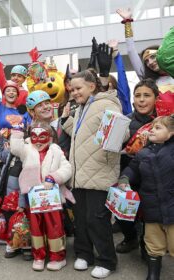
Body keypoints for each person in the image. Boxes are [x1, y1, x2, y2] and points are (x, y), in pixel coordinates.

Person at [61, 69, 122, 278]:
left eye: (78, 88)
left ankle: (107, 260)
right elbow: (84, 135)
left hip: (99, 173)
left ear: (92, 86)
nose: (74, 92)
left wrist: (116, 136)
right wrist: (66, 121)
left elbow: (123, 131)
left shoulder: (106, 103)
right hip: (80, 175)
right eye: (72, 89)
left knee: (97, 220)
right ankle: (84, 254)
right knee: (80, 219)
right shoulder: (82, 107)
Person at [10, 121, 71, 271]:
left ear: (50, 137)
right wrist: (17, 132)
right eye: (34, 137)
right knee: (36, 228)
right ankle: (39, 255)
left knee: (54, 226)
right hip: (34, 198)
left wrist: (54, 177)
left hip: (52, 199)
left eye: (42, 137)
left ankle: (58, 256)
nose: (38, 141)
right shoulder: (27, 149)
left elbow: (67, 168)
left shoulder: (56, 151)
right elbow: (15, 149)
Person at [118, 115, 174, 280]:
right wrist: (125, 178)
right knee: (153, 242)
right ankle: (153, 274)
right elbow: (133, 169)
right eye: (151, 128)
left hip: (171, 205)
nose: (152, 131)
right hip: (151, 207)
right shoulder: (143, 152)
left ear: (171, 133)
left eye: (158, 128)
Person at [116, 79, 159, 255]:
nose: (141, 100)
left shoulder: (164, 122)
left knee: (150, 215)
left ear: (156, 98)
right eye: (138, 95)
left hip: (155, 178)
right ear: (132, 100)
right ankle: (130, 238)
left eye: (147, 95)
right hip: (128, 174)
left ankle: (146, 244)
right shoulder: (124, 121)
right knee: (124, 213)